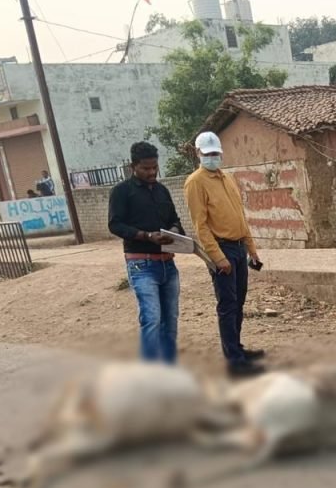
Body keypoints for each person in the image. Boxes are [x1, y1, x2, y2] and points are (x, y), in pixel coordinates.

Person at [185, 131, 266, 378]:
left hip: (239, 246)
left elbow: (240, 217)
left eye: (216, 153)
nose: (213, 157)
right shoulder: (195, 182)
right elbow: (200, 226)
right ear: (198, 154)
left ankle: (237, 349)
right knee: (228, 305)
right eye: (208, 154)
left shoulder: (227, 178)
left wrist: (252, 250)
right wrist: (218, 257)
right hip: (222, 249)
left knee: (238, 301)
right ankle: (234, 361)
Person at [108, 141, 184, 364]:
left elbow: (175, 219)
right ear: (133, 166)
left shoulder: (162, 190)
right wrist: (146, 236)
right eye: (146, 168)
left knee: (171, 319)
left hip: (168, 264)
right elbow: (115, 225)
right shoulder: (122, 192)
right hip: (141, 265)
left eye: (155, 167)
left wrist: (174, 231)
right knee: (152, 319)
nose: (152, 172)